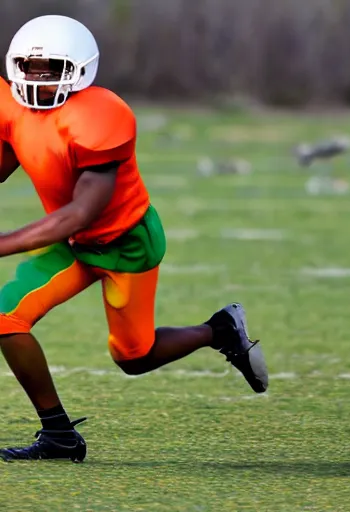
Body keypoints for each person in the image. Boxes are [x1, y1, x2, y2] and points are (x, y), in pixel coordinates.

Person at [0, 15, 268, 463]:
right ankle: (60, 436)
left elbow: (79, 213)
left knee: (133, 357)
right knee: (5, 318)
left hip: (124, 242)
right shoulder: (11, 106)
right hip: (72, 246)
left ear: (79, 70)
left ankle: (217, 330)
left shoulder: (99, 116)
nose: (37, 79)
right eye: (29, 66)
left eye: (51, 69)